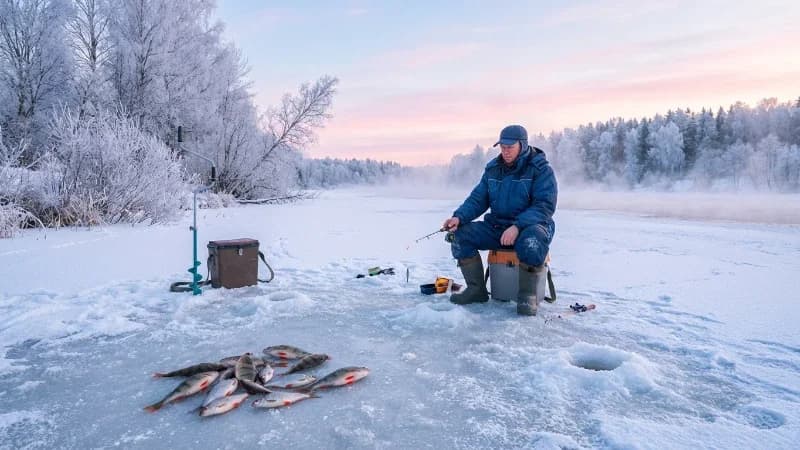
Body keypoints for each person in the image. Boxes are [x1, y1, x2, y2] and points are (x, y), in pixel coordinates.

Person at [442, 124, 557, 316]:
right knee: (459, 235)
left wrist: (517, 226)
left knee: (531, 241)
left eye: (509, 147)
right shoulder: (493, 169)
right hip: (497, 225)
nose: (505, 151)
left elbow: (544, 206)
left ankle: (527, 297)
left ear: (523, 145)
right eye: (502, 147)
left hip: (532, 226)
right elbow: (478, 199)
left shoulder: (540, 169)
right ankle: (476, 290)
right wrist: (458, 217)